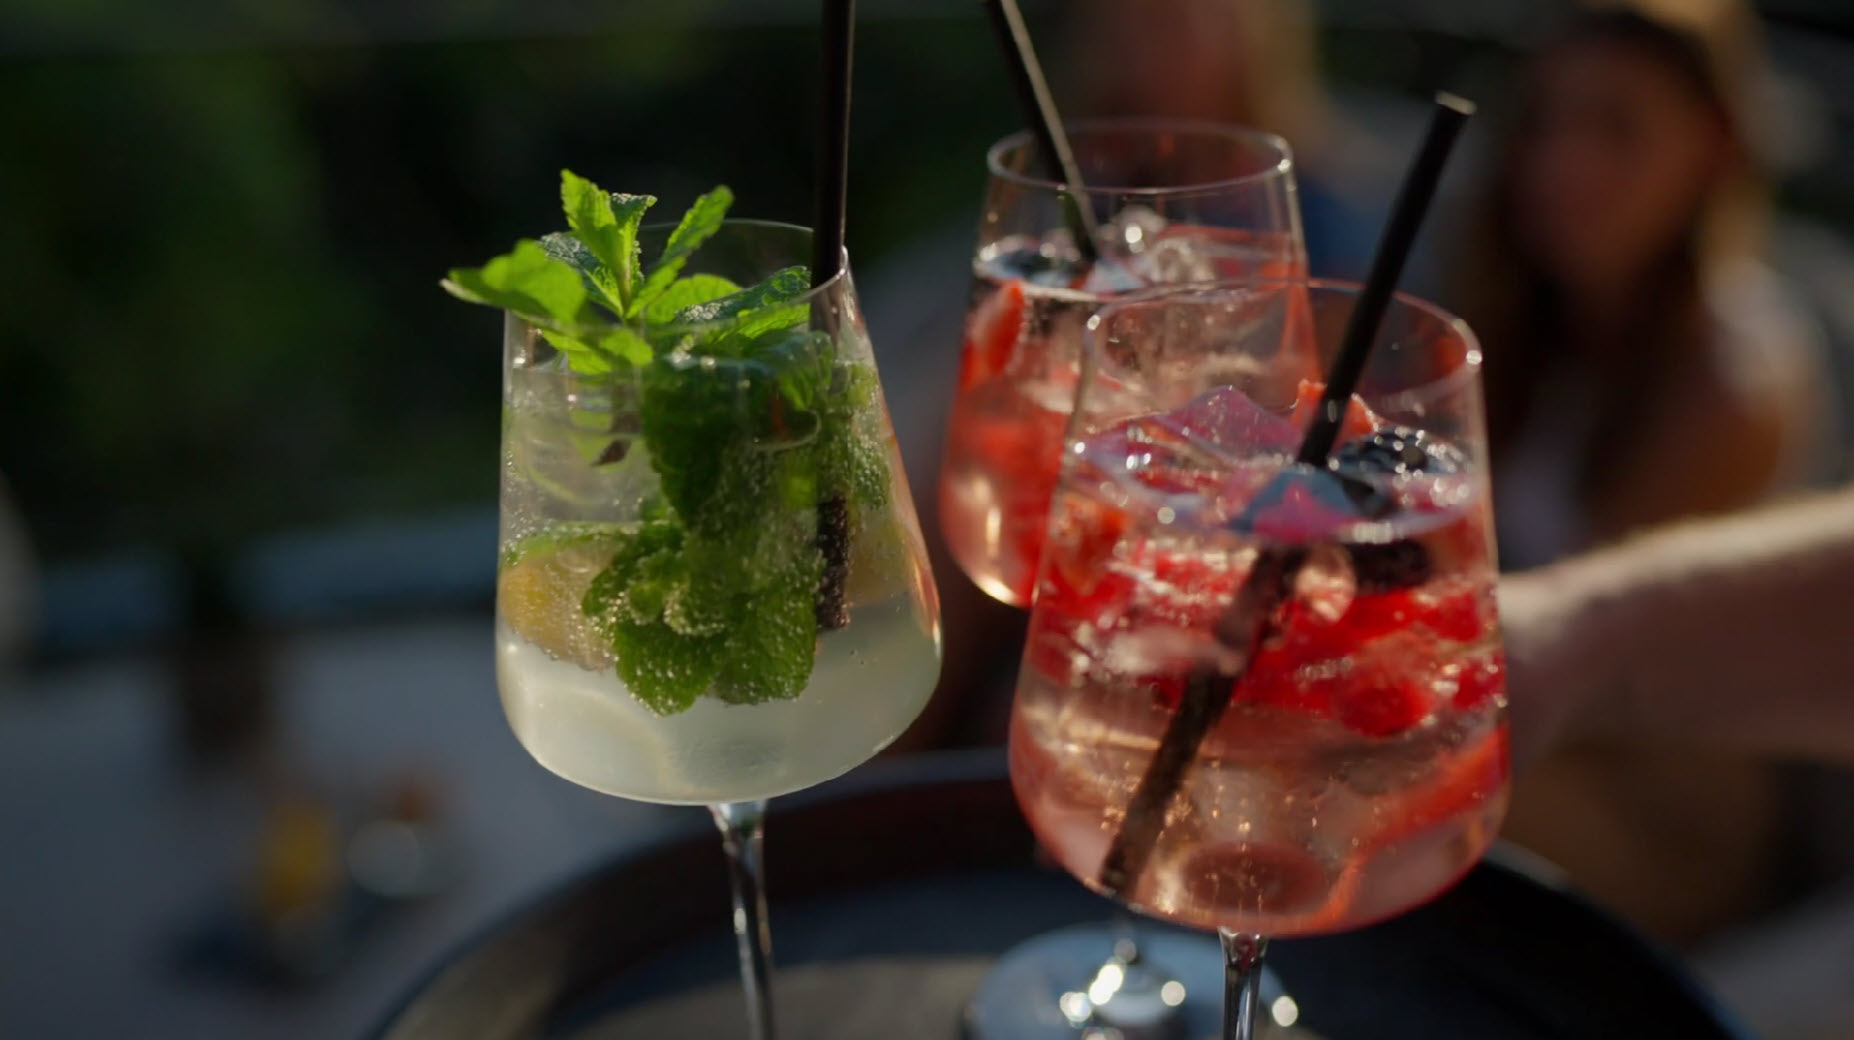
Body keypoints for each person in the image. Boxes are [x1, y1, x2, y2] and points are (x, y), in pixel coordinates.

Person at [1450, 0, 1837, 943]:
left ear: (1713, 148)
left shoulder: (1735, 380)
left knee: (1365, 780)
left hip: (1661, 806)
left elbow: (1580, 652)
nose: (1563, 163)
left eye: (1615, 126)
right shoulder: (1530, 316)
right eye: (1547, 121)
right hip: (1522, 727)